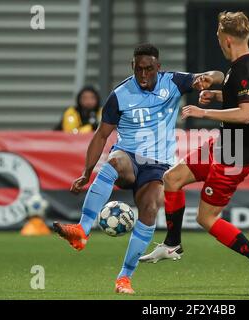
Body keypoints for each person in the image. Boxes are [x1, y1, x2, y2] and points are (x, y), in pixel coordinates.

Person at [52, 43, 224, 294]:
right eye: (139, 69)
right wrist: (86, 173)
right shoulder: (120, 94)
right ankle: (82, 230)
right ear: (132, 66)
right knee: (115, 160)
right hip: (129, 157)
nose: (144, 75)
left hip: (157, 166)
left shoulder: (173, 82)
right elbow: (101, 136)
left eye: (149, 69)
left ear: (158, 67)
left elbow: (218, 75)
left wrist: (210, 78)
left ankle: (124, 278)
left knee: (151, 206)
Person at [140, 12, 249, 292]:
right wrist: (216, 95)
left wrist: (203, 111)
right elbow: (243, 98)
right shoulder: (248, 63)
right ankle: (172, 244)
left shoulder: (243, 69)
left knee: (206, 218)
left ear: (226, 39)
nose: (218, 42)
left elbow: (245, 113)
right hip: (224, 145)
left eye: (218, 37)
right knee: (171, 179)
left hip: (235, 156)